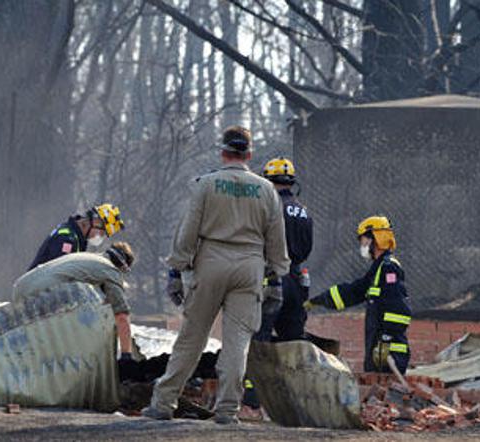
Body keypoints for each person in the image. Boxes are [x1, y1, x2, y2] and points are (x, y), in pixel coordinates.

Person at [142, 125, 290, 425]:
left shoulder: (206, 185)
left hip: (210, 263)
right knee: (238, 343)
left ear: (223, 152)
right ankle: (227, 410)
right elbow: (277, 240)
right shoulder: (266, 190)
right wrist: (276, 274)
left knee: (192, 337)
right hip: (249, 266)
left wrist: (177, 268)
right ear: (249, 154)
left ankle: (163, 403)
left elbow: (188, 230)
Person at [304, 216, 411, 374]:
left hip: (390, 351)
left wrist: (387, 339)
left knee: (386, 387)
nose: (362, 245)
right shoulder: (377, 269)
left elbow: (398, 308)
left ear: (376, 238)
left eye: (364, 240)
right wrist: (318, 300)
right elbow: (353, 292)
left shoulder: (389, 268)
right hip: (379, 348)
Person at [13, 241, 135, 357]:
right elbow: (122, 317)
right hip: (43, 295)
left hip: (20, 288)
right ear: (123, 266)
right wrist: (126, 356)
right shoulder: (111, 270)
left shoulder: (87, 257)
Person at [256, 157, 314, 342]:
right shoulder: (303, 211)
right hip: (296, 281)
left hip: (271, 278)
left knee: (259, 336)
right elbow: (306, 248)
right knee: (293, 339)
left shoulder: (268, 208)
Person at [28, 203, 124, 270]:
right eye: (102, 233)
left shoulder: (76, 239)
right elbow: (59, 275)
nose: (100, 237)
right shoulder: (66, 239)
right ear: (95, 222)